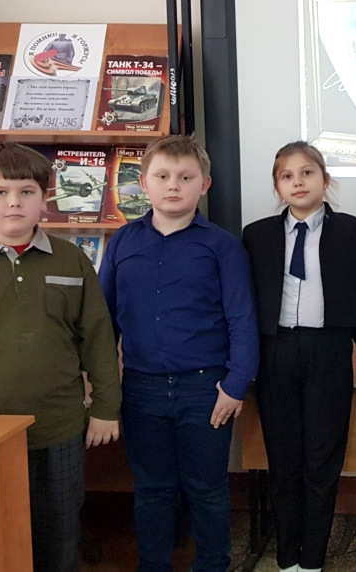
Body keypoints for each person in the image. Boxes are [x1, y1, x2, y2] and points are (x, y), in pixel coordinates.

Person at [0, 142, 121, 572]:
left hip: (58, 427)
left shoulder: (72, 260)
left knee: (60, 534)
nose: (14, 202)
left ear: (45, 199)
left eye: (27, 191)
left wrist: (106, 409)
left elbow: (97, 339)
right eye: (0, 192)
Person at [99, 135, 258, 572]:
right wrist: (100, 383)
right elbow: (102, 321)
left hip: (206, 389)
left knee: (207, 489)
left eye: (185, 178)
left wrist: (235, 385)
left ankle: (212, 565)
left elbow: (242, 319)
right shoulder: (122, 242)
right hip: (141, 389)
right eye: (163, 176)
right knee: (152, 488)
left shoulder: (222, 246)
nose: (173, 186)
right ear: (143, 183)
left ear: (204, 185)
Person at [242, 142, 356, 572]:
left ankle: (313, 559)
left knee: (322, 459)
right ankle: (287, 558)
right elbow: (246, 305)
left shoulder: (353, 232)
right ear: (277, 186)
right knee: (284, 461)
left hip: (328, 350)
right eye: (287, 176)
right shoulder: (256, 235)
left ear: (325, 179)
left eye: (307, 173)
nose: (297, 182)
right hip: (276, 352)